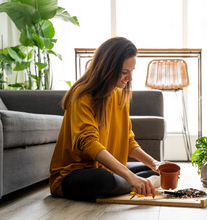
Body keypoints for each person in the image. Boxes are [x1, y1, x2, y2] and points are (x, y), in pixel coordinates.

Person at [49, 37, 165, 201]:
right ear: (107, 68)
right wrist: (130, 177)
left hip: (104, 168)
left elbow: (128, 141)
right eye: (124, 72)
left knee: (154, 171)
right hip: (73, 175)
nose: (130, 78)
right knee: (104, 179)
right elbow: (89, 143)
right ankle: (138, 183)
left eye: (132, 71)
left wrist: (155, 164)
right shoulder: (81, 96)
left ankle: (141, 181)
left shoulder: (119, 93)